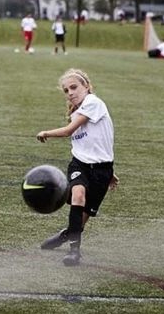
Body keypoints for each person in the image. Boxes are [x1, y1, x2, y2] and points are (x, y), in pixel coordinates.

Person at [36, 69, 118, 266]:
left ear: (87, 87)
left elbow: (68, 132)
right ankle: (74, 252)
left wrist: (46, 132)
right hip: (79, 163)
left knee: (83, 216)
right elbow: (91, 143)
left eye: (74, 87)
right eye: (66, 90)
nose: (70, 93)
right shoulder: (78, 112)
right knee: (78, 195)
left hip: (101, 170)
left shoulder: (93, 103)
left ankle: (66, 234)